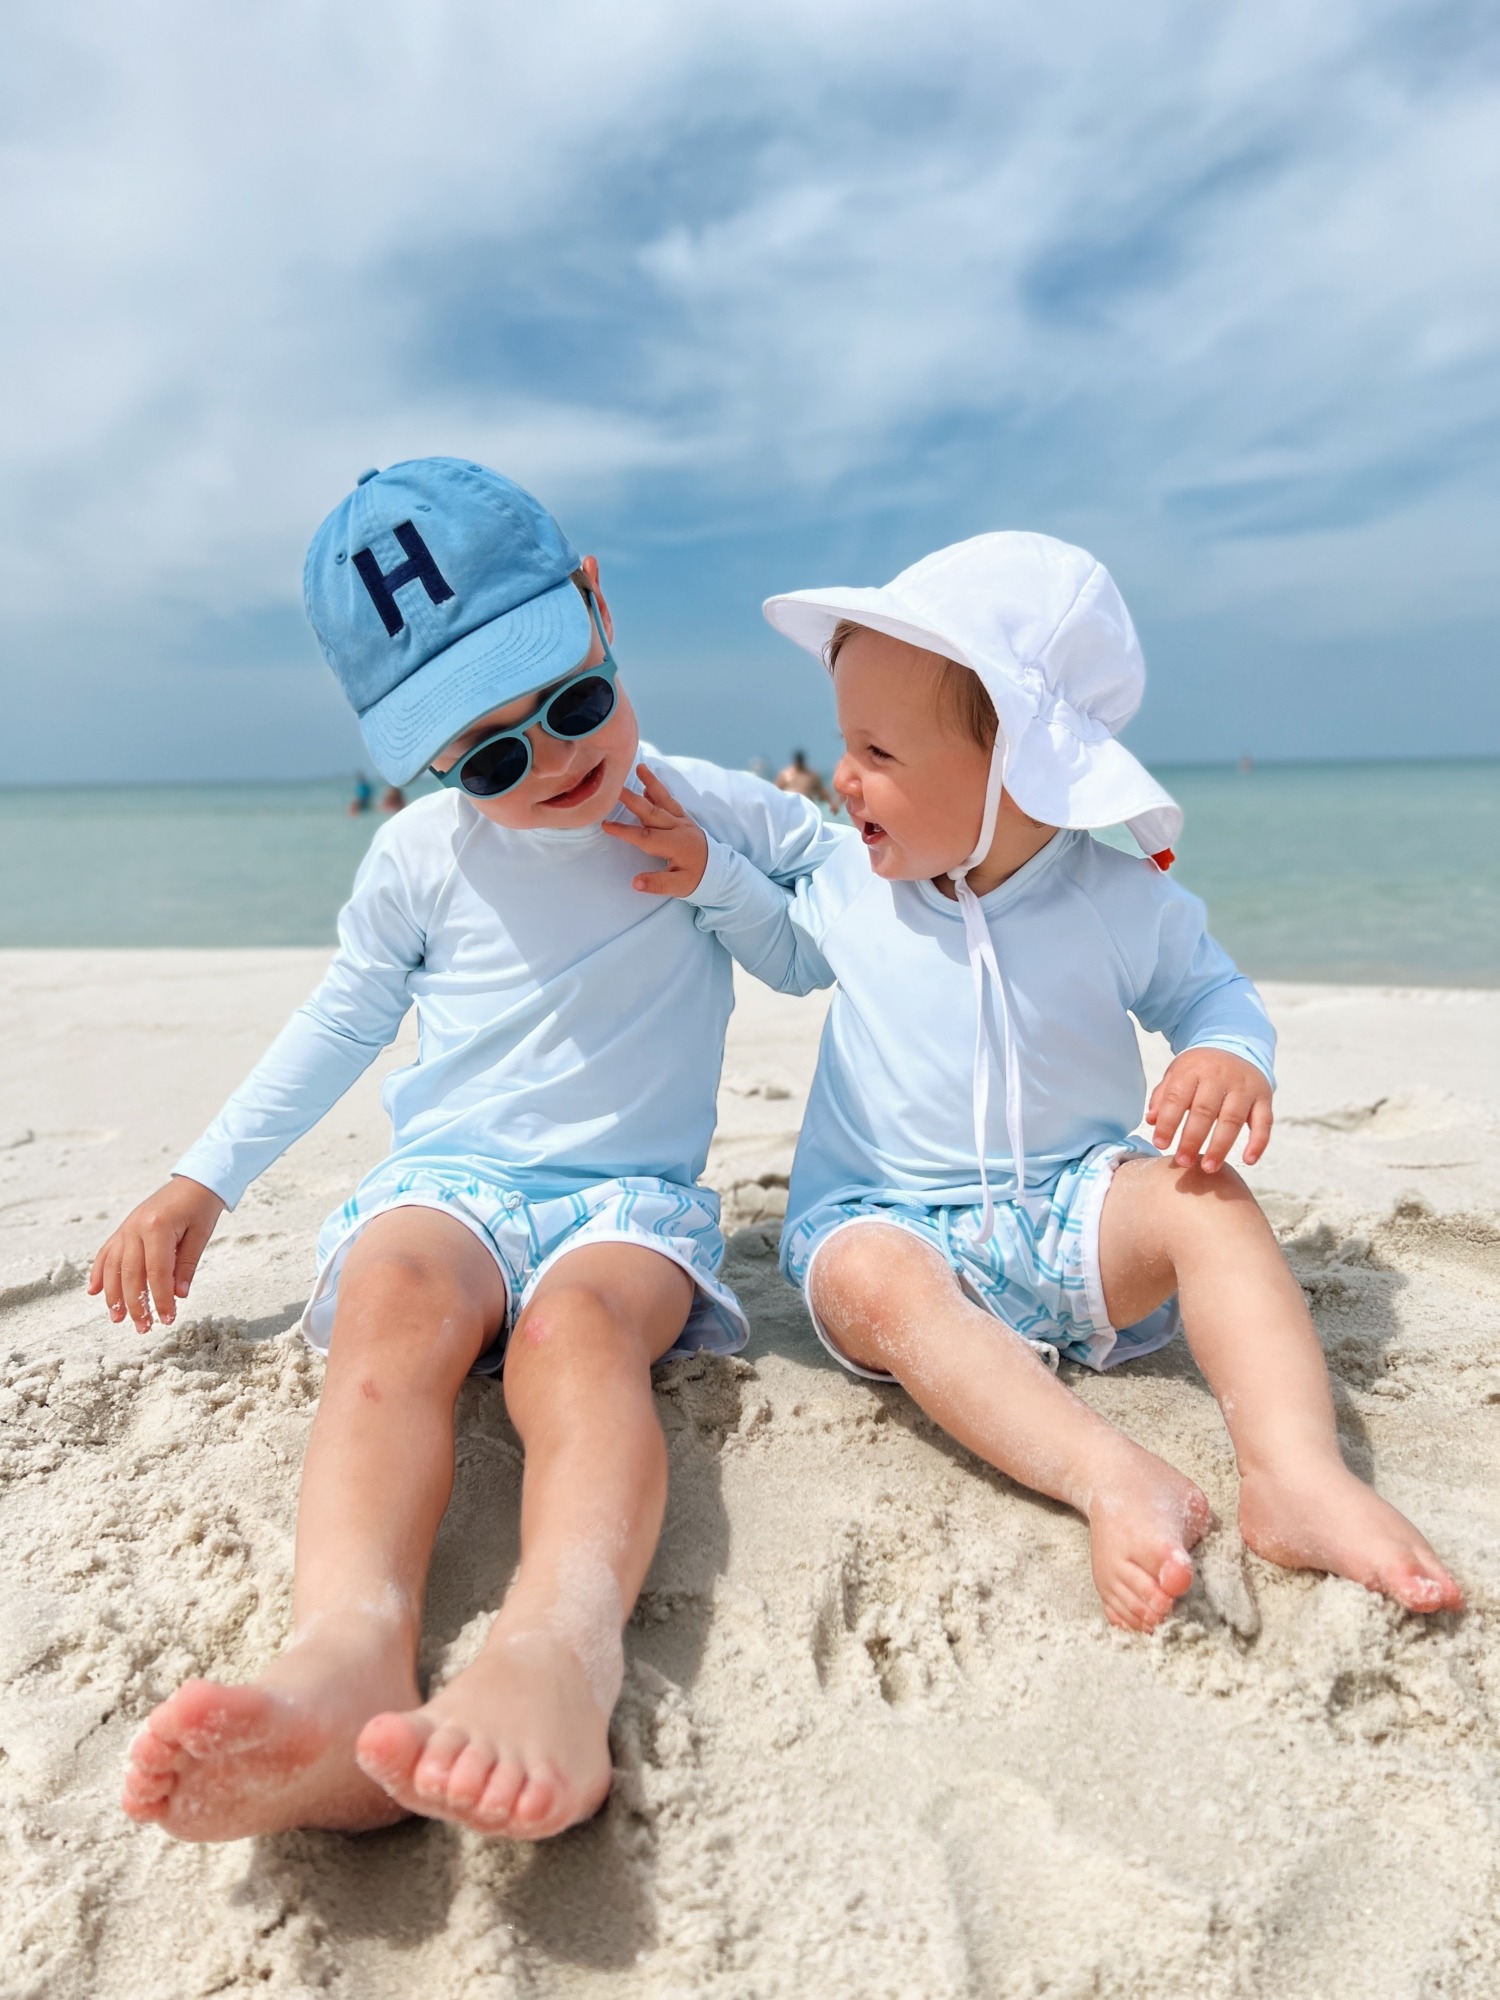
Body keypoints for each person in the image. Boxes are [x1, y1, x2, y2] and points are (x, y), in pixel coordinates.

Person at [94, 459, 841, 1844]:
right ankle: (344, 1651)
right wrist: (207, 1176)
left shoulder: (712, 806)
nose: (552, 762)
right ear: (430, 761)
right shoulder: (422, 859)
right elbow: (343, 1019)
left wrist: (717, 883)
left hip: (627, 1206)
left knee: (578, 1341)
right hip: (456, 1186)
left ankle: (557, 1648)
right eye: (491, 754)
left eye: (571, 706)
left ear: (599, 610)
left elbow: (831, 942)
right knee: (392, 1303)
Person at [623, 532, 1463, 1631]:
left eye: (878, 749)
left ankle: (1296, 1471)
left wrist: (1225, 1056)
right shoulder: (846, 876)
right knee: (875, 1278)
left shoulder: (1120, 899)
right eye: (843, 742)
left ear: (1020, 767)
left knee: (1203, 1200)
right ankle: (1105, 1471)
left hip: (1068, 1213)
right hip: (888, 1216)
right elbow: (753, 877)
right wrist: (664, 824)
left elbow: (1214, 994)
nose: (844, 777)